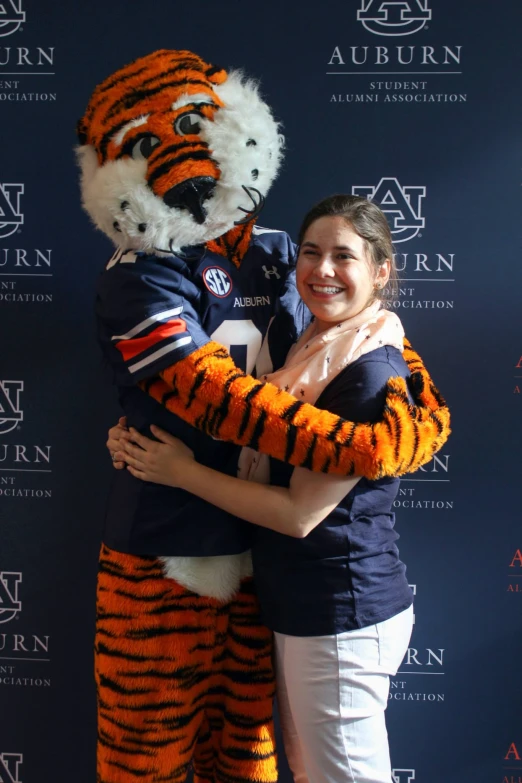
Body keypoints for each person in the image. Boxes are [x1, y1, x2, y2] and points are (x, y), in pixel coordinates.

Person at [109, 194, 424, 783]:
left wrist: (181, 472)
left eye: (343, 256)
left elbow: (300, 515)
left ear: (381, 270)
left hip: (339, 606)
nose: (322, 270)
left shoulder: (365, 370)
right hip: (305, 605)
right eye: (311, 252)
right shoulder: (315, 344)